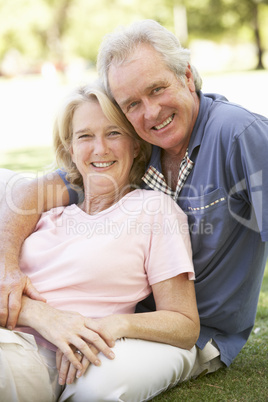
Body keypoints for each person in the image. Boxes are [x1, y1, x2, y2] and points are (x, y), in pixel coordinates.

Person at [1, 17, 267, 382]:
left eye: (157, 89)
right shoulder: (139, 148)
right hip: (126, 315)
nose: (151, 112)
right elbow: (37, 191)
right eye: (132, 104)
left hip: (194, 333)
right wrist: (7, 269)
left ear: (187, 76)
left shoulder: (238, 134)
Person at [0, 83, 200, 401]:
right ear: (69, 149)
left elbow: (185, 324)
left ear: (135, 145)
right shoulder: (47, 212)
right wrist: (41, 315)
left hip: (34, 357)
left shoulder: (154, 211)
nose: (100, 149)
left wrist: (112, 325)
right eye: (85, 136)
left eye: (113, 133)